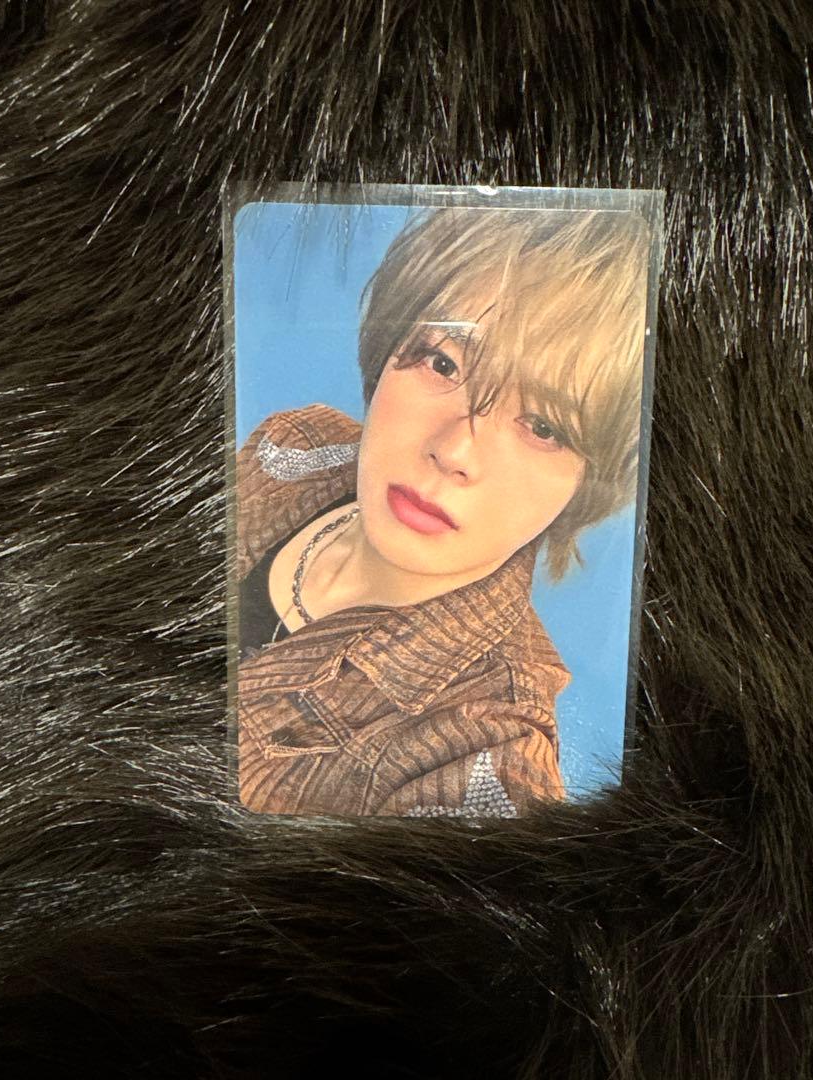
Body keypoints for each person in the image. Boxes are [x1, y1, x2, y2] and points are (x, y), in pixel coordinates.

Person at [235, 205, 650, 817]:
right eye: (444, 363)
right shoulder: (294, 446)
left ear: (591, 484)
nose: (454, 452)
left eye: (543, 426)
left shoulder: (485, 751)